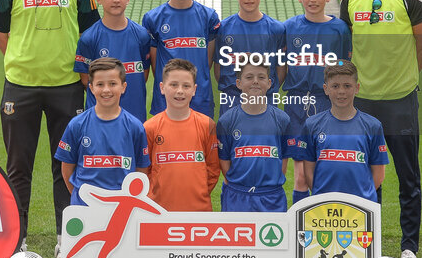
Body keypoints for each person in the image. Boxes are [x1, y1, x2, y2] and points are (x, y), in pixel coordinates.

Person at [0, 0, 100, 256]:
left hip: (67, 88)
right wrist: (23, 61)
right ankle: (17, 238)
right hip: (20, 86)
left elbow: (91, 32)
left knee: (64, 166)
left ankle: (67, 239)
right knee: (19, 166)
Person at [340, 0, 422, 258]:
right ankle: (371, 241)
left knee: (408, 177)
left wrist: (403, 79)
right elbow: (349, 45)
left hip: (400, 101)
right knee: (365, 177)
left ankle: (409, 247)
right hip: (363, 103)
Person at [280, 0, 351, 205]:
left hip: (326, 104)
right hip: (296, 104)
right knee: (300, 175)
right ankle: (300, 229)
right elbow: (280, 65)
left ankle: (323, 219)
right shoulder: (288, 27)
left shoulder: (339, 29)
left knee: (324, 170)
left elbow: (344, 68)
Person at [55, 57, 149, 206]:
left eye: (112, 84)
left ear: (123, 87)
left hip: (123, 207)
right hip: (85, 206)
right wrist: (80, 197)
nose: (106, 90)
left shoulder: (135, 127)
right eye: (100, 84)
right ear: (91, 88)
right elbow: (66, 170)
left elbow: (141, 171)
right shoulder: (77, 125)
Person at [298, 61, 388, 204]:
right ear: (326, 89)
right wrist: (320, 195)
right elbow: (309, 170)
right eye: (335, 86)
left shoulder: (372, 125)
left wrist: (363, 198)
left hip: (360, 206)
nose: (341, 91)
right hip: (324, 205)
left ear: (357, 88)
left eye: (347, 86)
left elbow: (378, 173)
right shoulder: (312, 125)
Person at [142, 0, 221, 117]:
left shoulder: (209, 17)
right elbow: (157, 67)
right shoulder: (153, 18)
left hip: (200, 100)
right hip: (166, 102)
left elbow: (207, 62)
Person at [74, 0, 151, 122]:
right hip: (99, 121)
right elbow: (85, 80)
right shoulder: (89, 38)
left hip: (135, 118)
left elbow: (144, 74)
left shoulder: (142, 35)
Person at [215, 62, 294, 212]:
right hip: (237, 196)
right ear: (239, 83)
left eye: (261, 77)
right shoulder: (227, 121)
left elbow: (283, 159)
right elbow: (224, 161)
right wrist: (237, 184)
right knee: (236, 236)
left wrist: (271, 183)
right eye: (249, 77)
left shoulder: (282, 119)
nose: (256, 81)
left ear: (270, 83)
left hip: (271, 197)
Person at [144, 59, 221, 211]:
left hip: (199, 211)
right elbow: (144, 170)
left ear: (194, 89)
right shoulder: (150, 127)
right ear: (162, 87)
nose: (180, 91)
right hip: (159, 212)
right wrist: (154, 196)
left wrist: (199, 193)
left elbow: (213, 168)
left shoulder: (207, 125)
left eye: (186, 86)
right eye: (173, 85)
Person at [214, 0, 285, 114]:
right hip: (232, 100)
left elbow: (280, 69)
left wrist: (263, 90)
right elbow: (219, 69)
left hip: (266, 100)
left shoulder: (276, 29)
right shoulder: (223, 28)